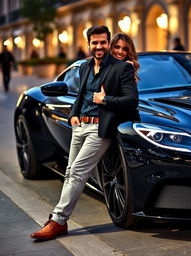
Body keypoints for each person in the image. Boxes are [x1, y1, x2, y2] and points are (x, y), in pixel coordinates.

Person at [30, 25, 138, 240]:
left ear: (108, 43)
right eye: (95, 42)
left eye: (103, 42)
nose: (99, 46)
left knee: (78, 172)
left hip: (100, 129)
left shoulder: (120, 68)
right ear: (89, 44)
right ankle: (59, 221)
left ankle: (58, 220)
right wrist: (73, 114)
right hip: (80, 126)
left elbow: (132, 99)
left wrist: (105, 99)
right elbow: (80, 94)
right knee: (70, 172)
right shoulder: (85, 67)